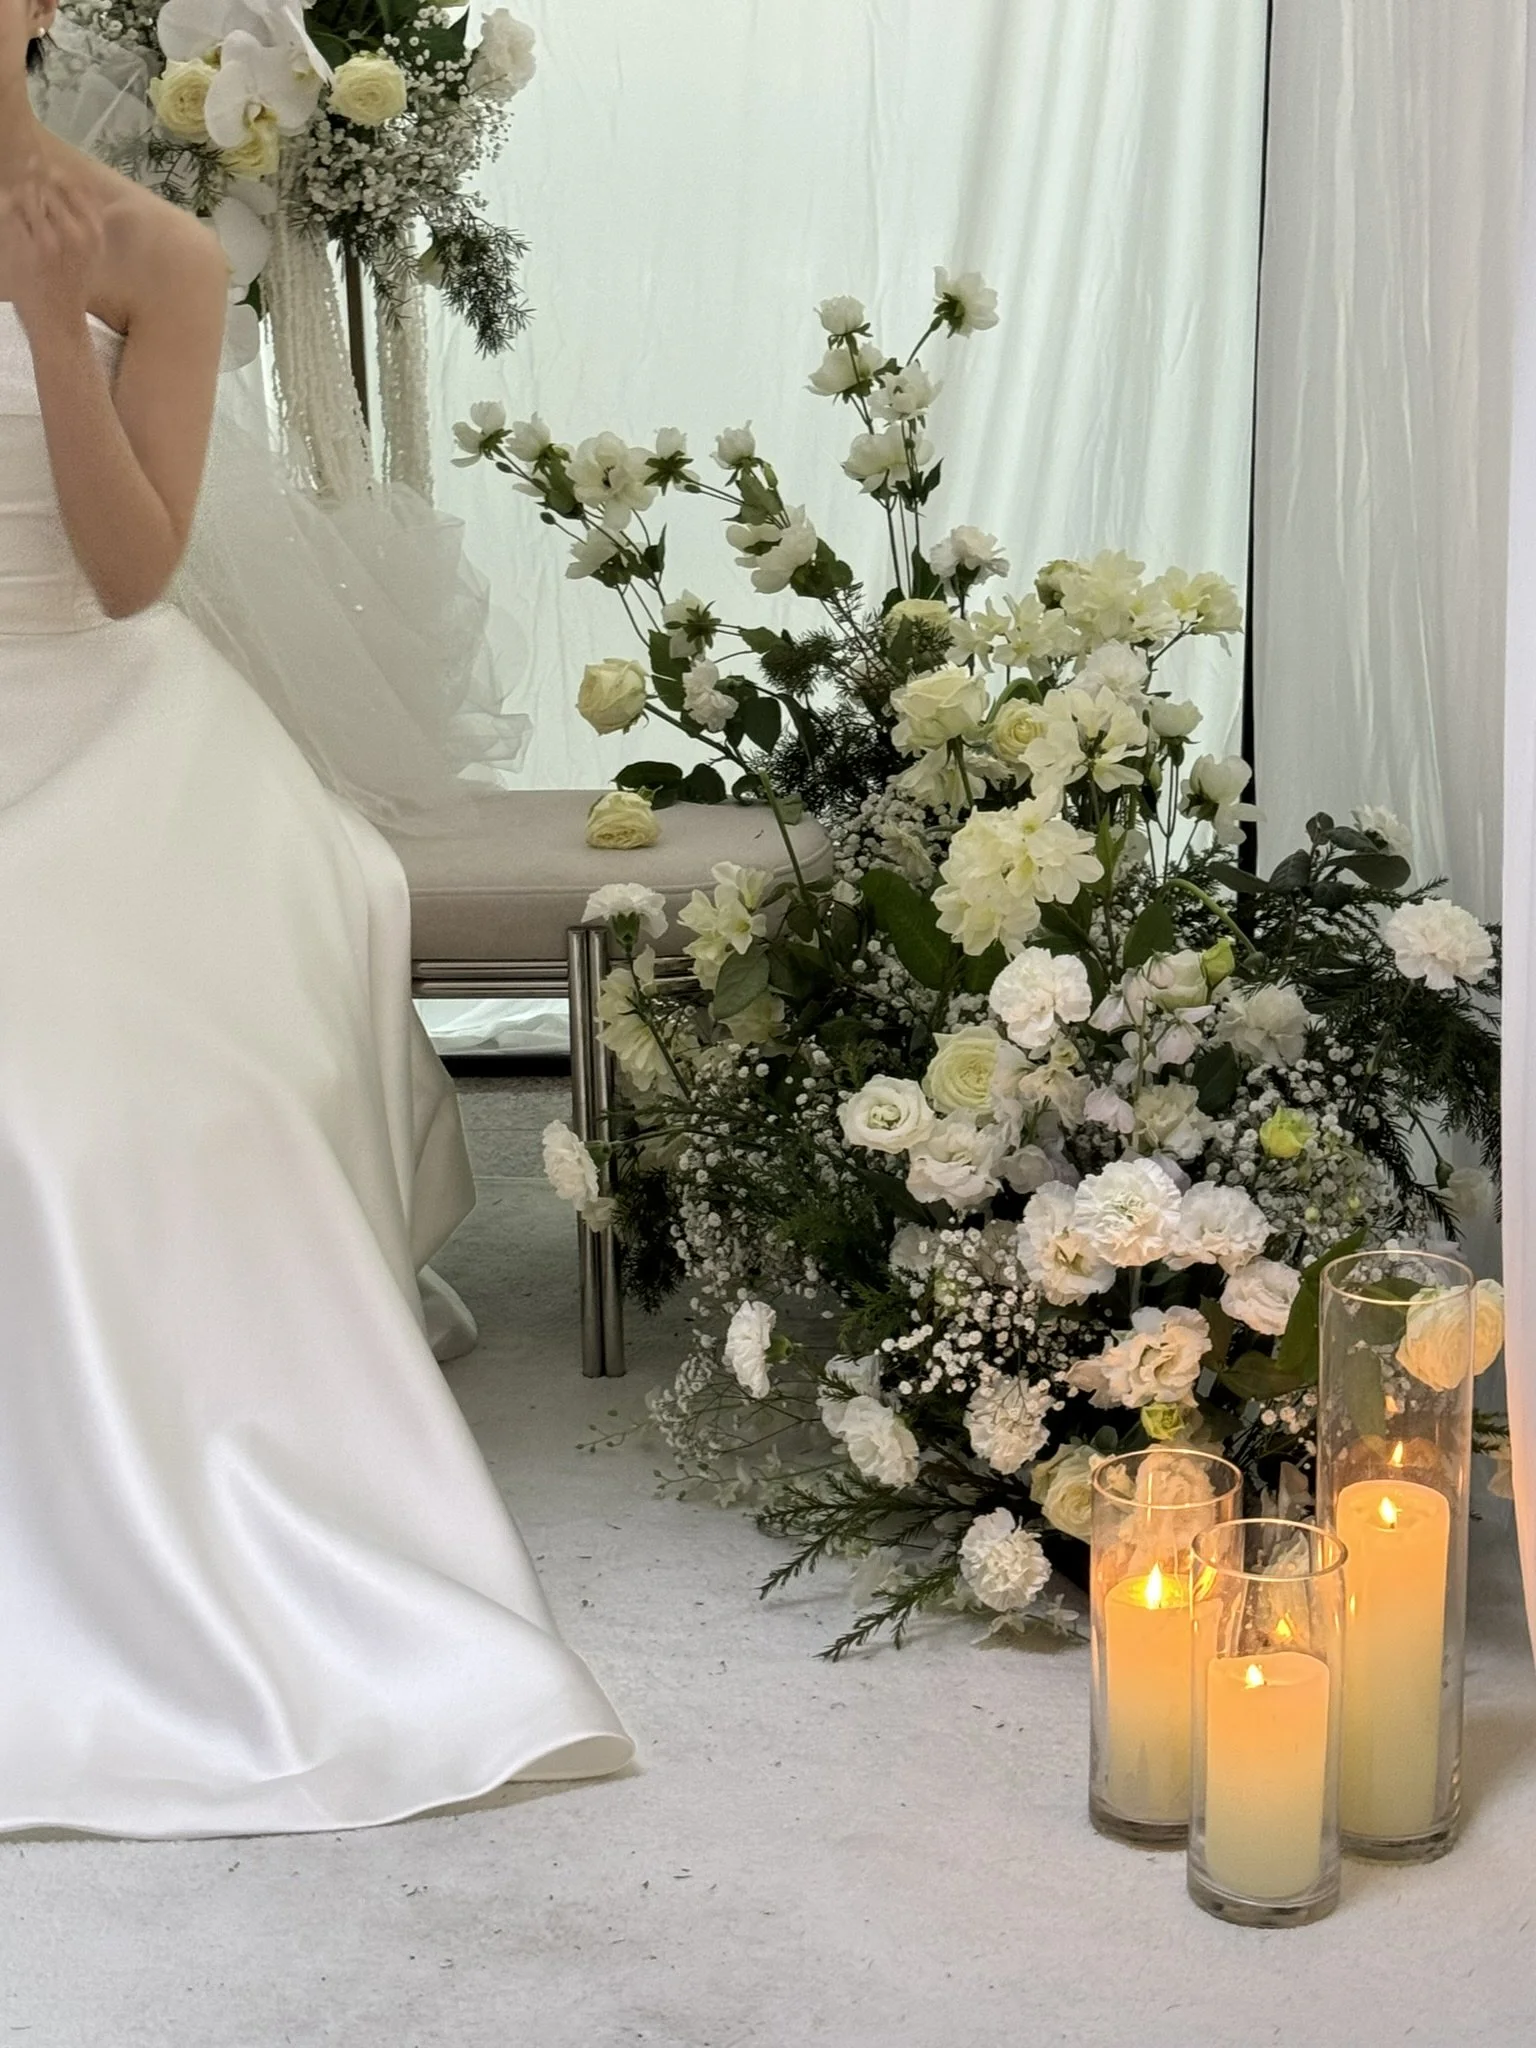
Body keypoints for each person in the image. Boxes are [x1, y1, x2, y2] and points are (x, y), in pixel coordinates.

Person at [0, 1, 633, 1838]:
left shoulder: (159, 256)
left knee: (91, 1116)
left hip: (106, 733)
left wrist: (50, 321)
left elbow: (129, 581)